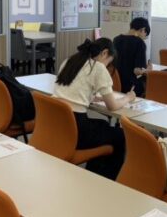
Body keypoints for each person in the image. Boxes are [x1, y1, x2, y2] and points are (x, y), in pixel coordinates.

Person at [54, 38, 135, 180]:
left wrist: (90, 97)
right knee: (120, 135)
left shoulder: (70, 61)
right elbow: (112, 106)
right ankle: (107, 179)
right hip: (77, 130)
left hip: (57, 124)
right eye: (108, 62)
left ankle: (94, 172)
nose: (106, 66)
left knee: (102, 124)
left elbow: (71, 89)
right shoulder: (98, 68)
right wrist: (128, 97)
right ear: (104, 53)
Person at [113, 17, 151, 96]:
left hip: (115, 84)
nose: (144, 38)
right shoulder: (139, 43)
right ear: (143, 29)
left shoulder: (116, 39)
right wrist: (148, 70)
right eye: (145, 35)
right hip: (130, 88)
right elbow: (137, 71)